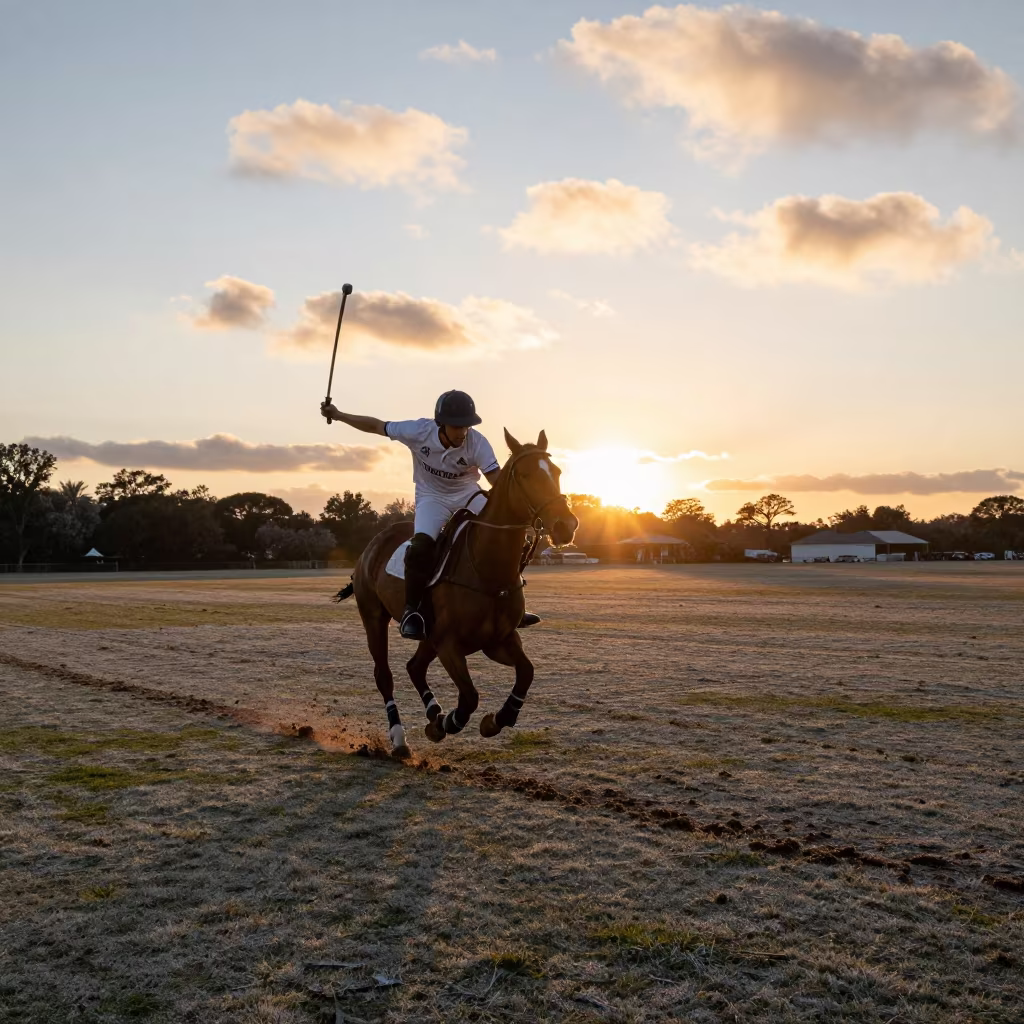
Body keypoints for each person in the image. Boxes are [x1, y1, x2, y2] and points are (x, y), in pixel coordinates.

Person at [320, 390, 540, 640]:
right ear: (440, 423)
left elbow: (496, 482)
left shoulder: (478, 443)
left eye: (466, 425)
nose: (462, 432)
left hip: (467, 493)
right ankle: (413, 612)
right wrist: (338, 415)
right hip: (431, 498)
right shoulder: (418, 431)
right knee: (421, 547)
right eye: (456, 426)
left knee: (507, 536)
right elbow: (376, 425)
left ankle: (512, 606)